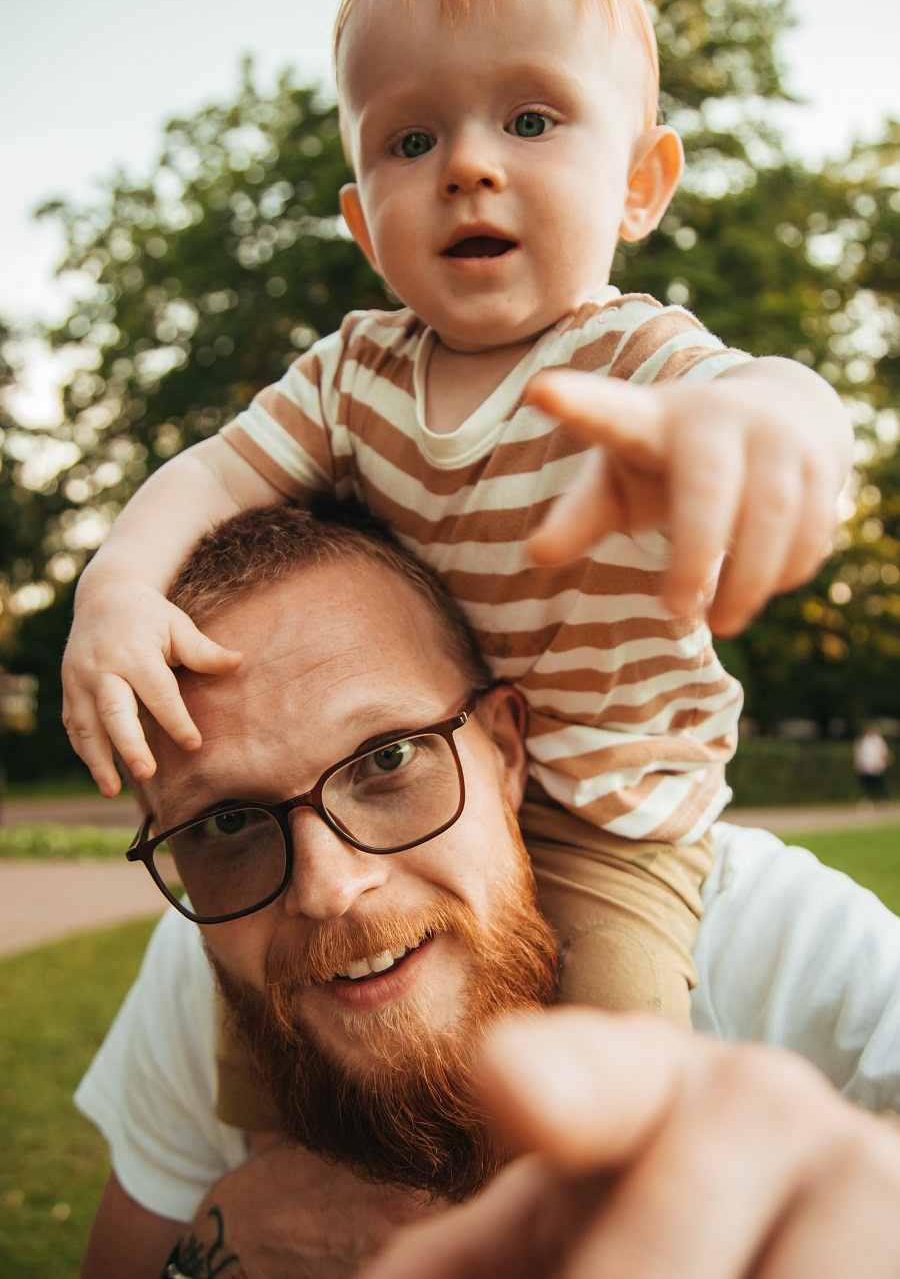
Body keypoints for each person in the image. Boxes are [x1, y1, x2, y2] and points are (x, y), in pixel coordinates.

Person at [62, 0, 853, 1039]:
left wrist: (772, 427)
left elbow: (773, 395)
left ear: (638, 185)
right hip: (397, 795)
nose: (467, 165)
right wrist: (117, 587)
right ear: (362, 223)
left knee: (611, 1054)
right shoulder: (352, 376)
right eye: (411, 138)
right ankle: (285, 1141)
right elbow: (214, 472)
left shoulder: (635, 363)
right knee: (266, 1035)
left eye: (530, 121)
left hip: (611, 810)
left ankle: (607, 1150)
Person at [75, 504, 900, 1278]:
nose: (329, 888)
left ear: (505, 751)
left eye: (388, 759)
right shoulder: (196, 972)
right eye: (227, 824)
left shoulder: (788, 950)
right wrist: (223, 1249)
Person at [854, 724, 892, 802]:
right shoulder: (862, 740)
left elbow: (884, 752)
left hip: (877, 766)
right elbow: (859, 753)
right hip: (865, 767)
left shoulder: (878, 740)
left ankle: (882, 799)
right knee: (867, 785)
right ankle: (868, 799)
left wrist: (886, 759)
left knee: (879, 784)